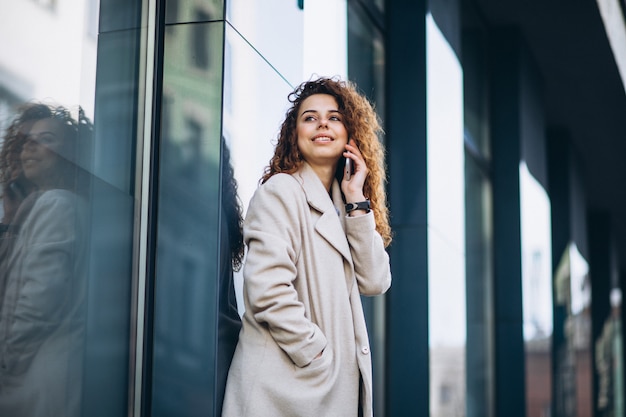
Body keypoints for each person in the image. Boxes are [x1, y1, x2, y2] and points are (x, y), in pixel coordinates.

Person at [221, 77, 392, 417]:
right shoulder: (282, 191)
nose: (322, 124)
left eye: (334, 117)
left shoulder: (344, 207)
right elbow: (267, 290)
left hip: (321, 394)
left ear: (350, 134)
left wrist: (357, 200)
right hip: (284, 392)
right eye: (310, 117)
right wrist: (316, 354)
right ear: (295, 135)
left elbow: (375, 281)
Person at [0, 103, 91, 417]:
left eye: (46, 139)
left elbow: (40, 300)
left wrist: (6, 359)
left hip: (33, 382)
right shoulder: (40, 205)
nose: (30, 147)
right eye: (27, 140)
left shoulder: (58, 204)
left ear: (69, 155)